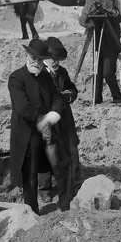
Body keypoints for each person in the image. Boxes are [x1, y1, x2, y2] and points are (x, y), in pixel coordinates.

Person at [8, 39, 71, 215]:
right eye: (32, 57)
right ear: (26, 55)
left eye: (39, 59)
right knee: (30, 175)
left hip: (48, 130)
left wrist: (52, 117)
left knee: (62, 166)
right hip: (28, 134)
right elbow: (23, 107)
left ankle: (65, 205)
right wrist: (40, 121)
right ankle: (32, 212)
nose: (35, 62)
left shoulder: (45, 76)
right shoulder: (16, 78)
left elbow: (58, 97)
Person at [38, 37, 81, 203]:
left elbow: (72, 89)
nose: (55, 62)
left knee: (72, 149)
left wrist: (69, 96)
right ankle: (45, 190)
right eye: (51, 59)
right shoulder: (38, 74)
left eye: (57, 59)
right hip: (47, 119)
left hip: (65, 118)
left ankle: (76, 184)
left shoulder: (62, 72)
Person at [79, 0, 121, 106]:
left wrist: (110, 11)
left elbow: (119, 18)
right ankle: (96, 98)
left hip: (111, 45)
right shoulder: (93, 11)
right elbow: (84, 21)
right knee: (97, 73)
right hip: (98, 43)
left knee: (108, 73)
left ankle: (118, 97)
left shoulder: (114, 9)